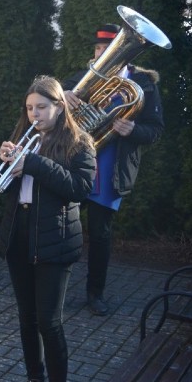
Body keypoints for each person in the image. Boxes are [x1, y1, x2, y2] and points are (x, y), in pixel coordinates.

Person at [0, 75, 96, 382]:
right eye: (29, 108)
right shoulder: (23, 138)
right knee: (27, 319)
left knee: (49, 323)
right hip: (19, 237)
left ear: (59, 106)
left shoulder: (79, 144)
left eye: (41, 107)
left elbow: (79, 189)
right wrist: (7, 165)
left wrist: (33, 164)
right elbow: (12, 190)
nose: (34, 114)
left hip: (54, 241)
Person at [62, 24, 164, 316]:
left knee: (100, 234)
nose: (103, 53)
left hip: (110, 168)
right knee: (61, 226)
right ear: (94, 52)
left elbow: (155, 130)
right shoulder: (79, 80)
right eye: (99, 49)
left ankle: (95, 293)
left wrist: (133, 128)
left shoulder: (143, 84)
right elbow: (46, 107)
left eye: (111, 49)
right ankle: (55, 286)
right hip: (75, 163)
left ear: (128, 54)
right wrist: (62, 96)